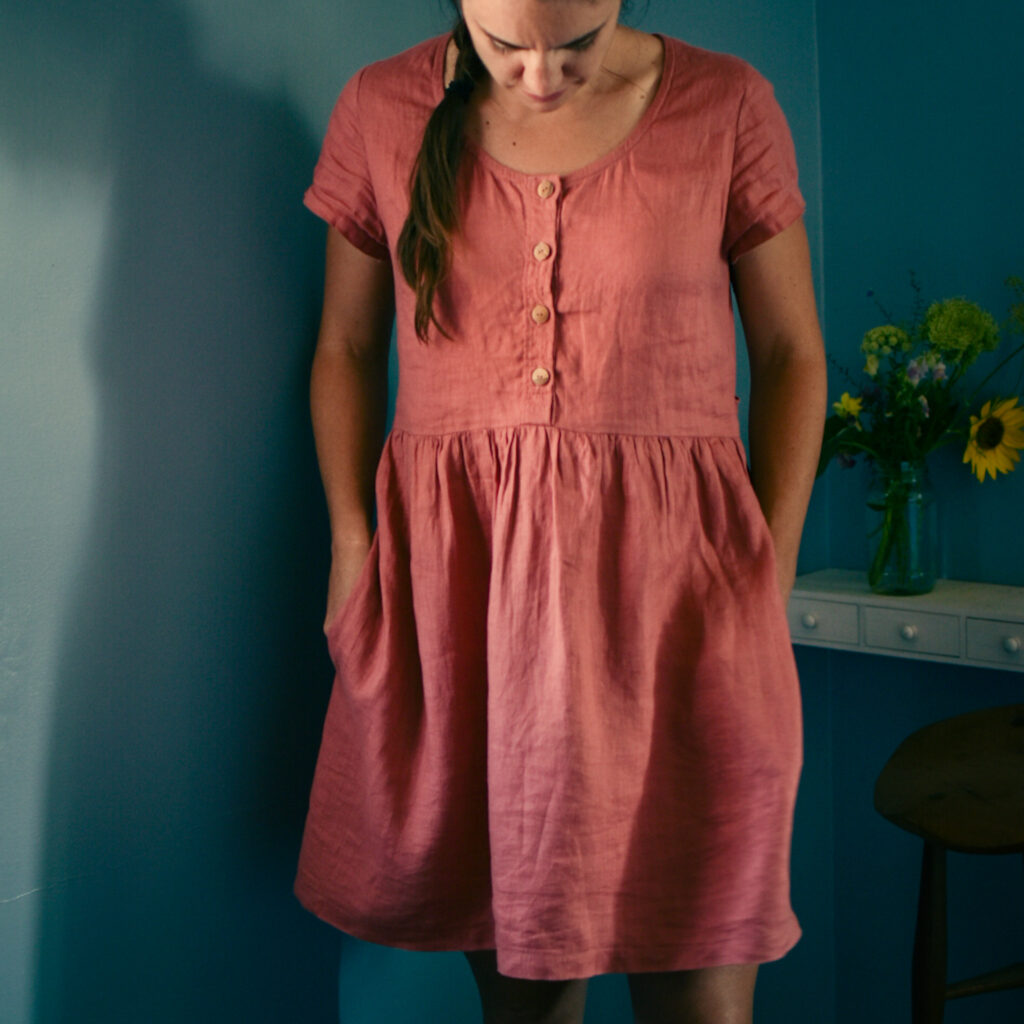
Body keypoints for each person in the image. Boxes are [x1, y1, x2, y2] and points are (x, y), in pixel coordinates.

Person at [296, 0, 827, 1020]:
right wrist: (352, 545)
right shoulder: (379, 106)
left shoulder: (726, 104)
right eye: (505, 49)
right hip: (470, 594)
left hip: (681, 592)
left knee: (703, 987)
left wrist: (772, 558)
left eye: (572, 46)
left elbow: (795, 353)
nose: (539, 77)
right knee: (530, 1000)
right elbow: (346, 349)